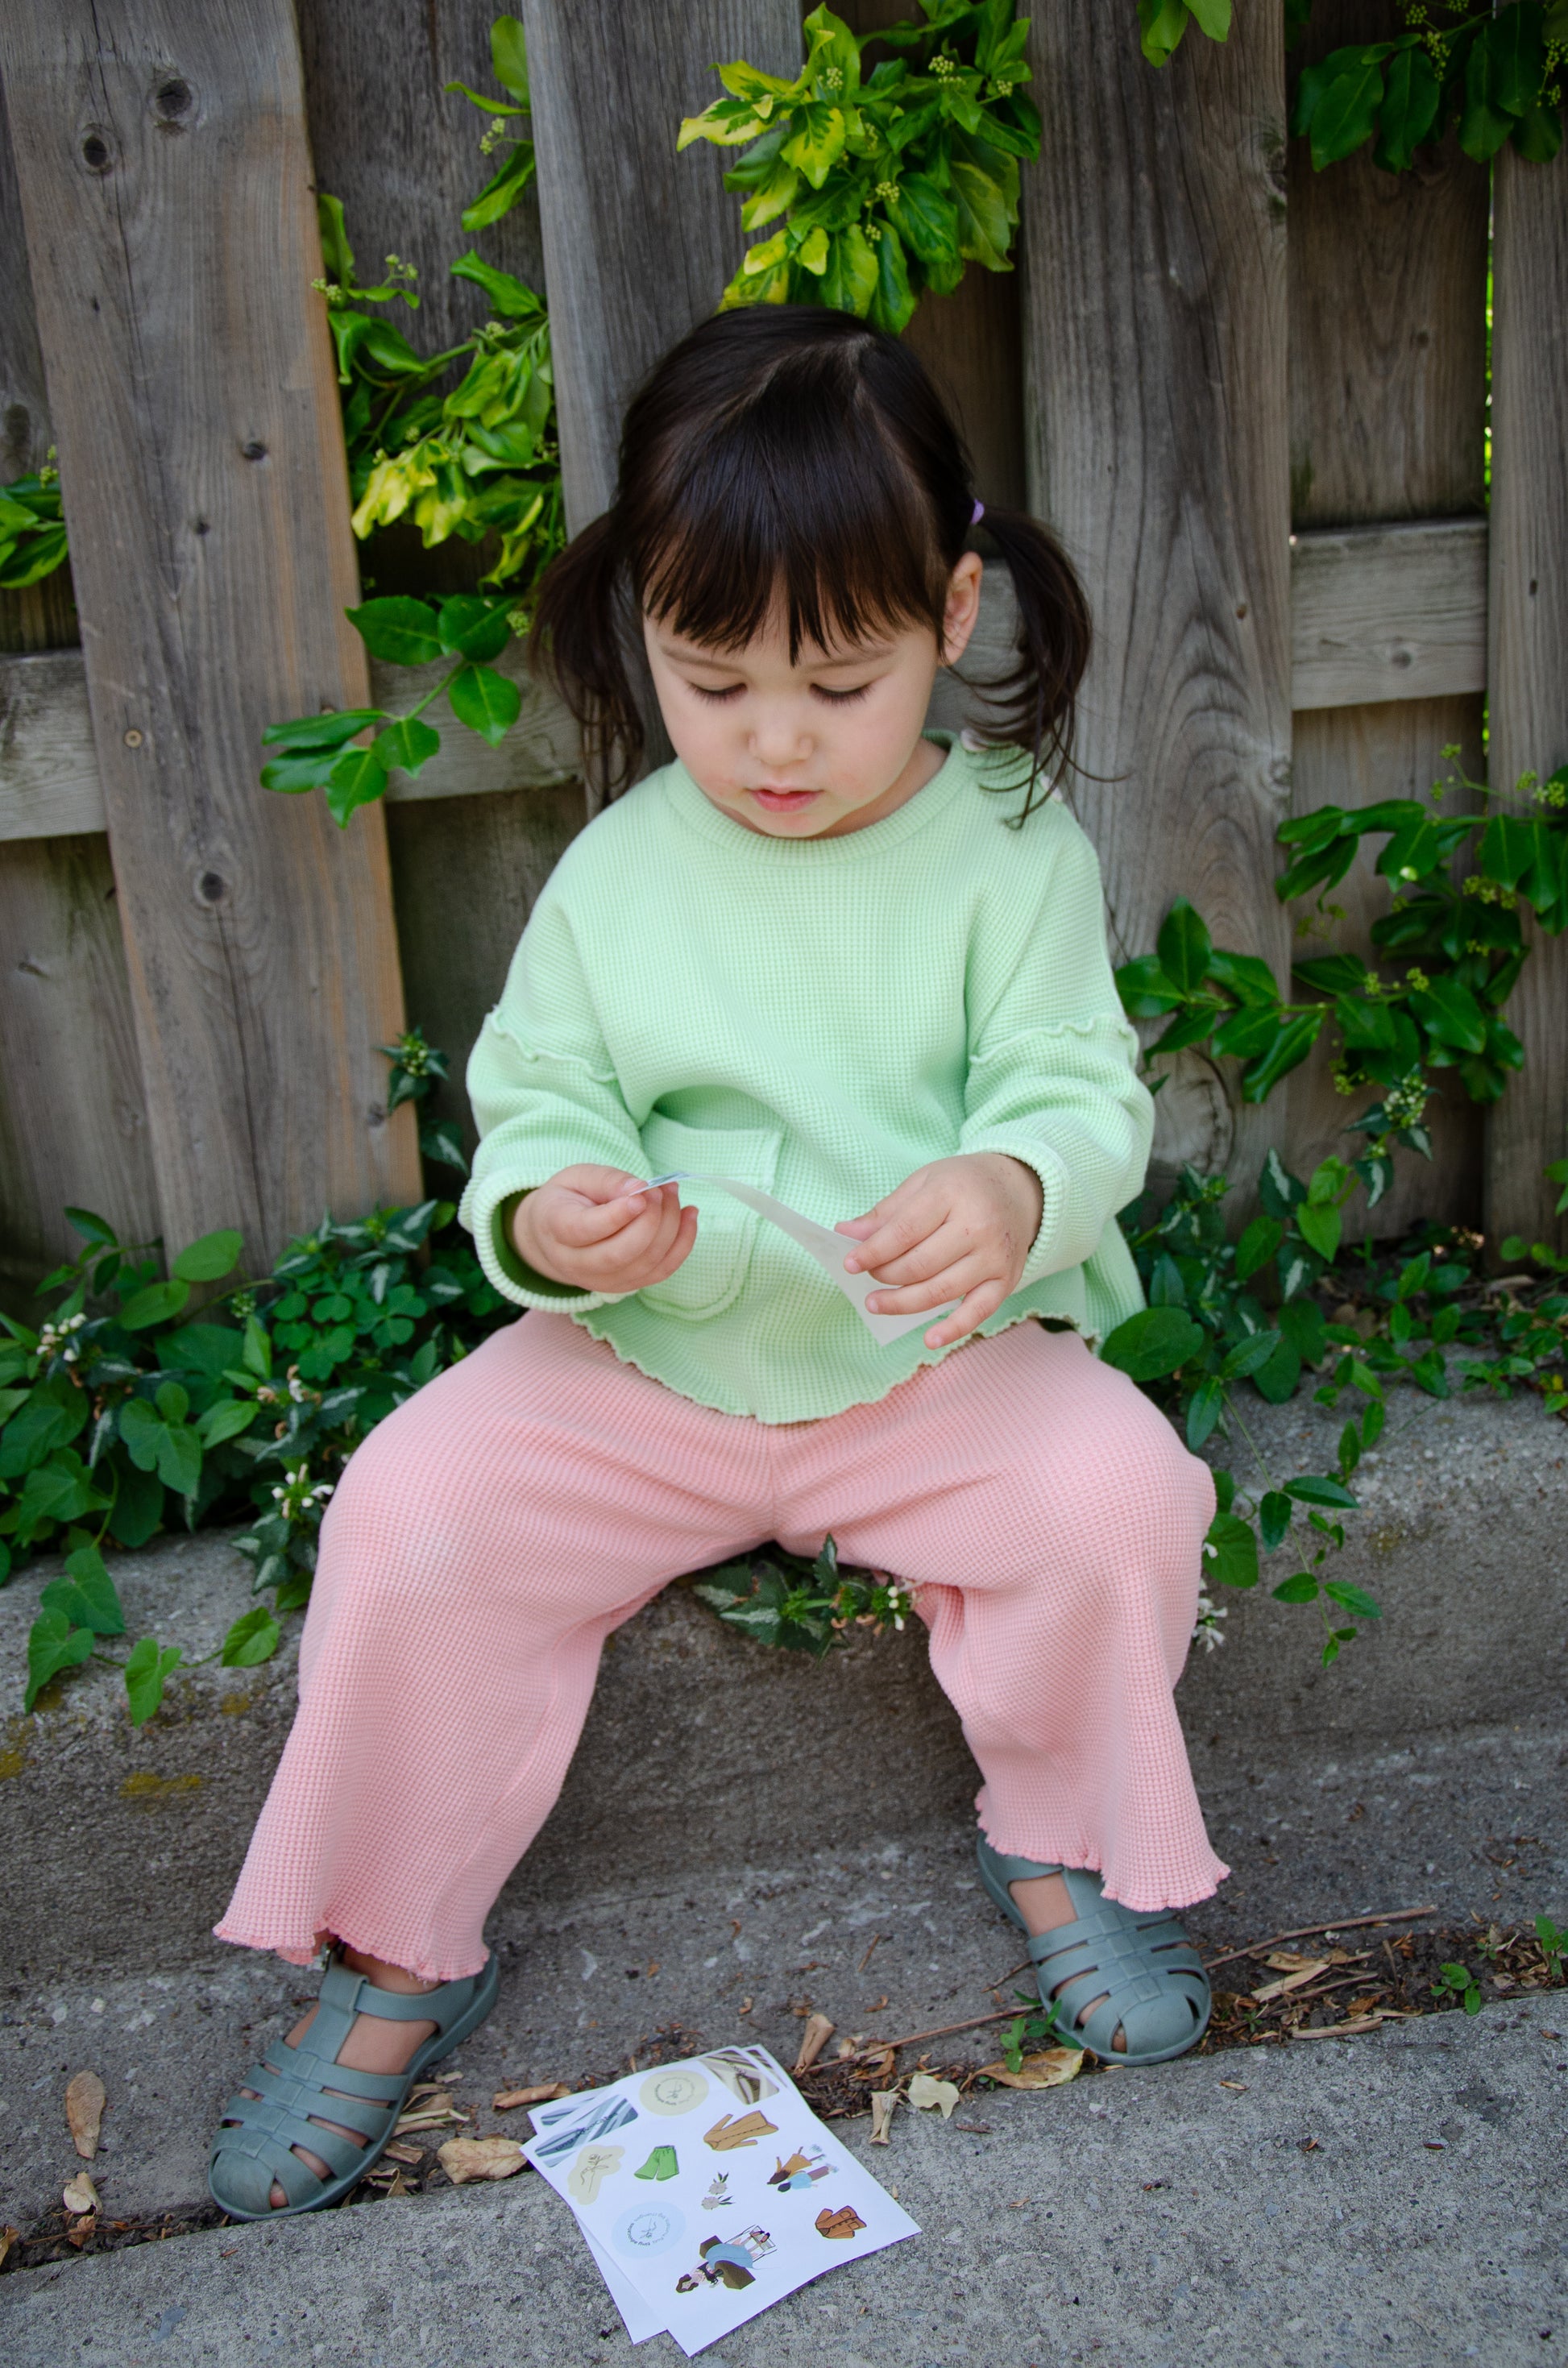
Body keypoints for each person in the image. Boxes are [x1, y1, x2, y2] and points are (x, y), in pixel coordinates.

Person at [207, 305, 1225, 2220]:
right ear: (641, 630)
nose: (772, 739)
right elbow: (542, 1100)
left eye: (838, 683)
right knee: (415, 1511)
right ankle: (400, 1944)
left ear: (952, 605)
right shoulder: (622, 869)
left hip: (930, 1364)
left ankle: (1063, 1840)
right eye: (709, 675)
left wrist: (1012, 1186)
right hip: (646, 1371)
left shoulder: (1008, 848)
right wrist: (561, 1211)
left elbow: (1077, 1083)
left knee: (1111, 1498)